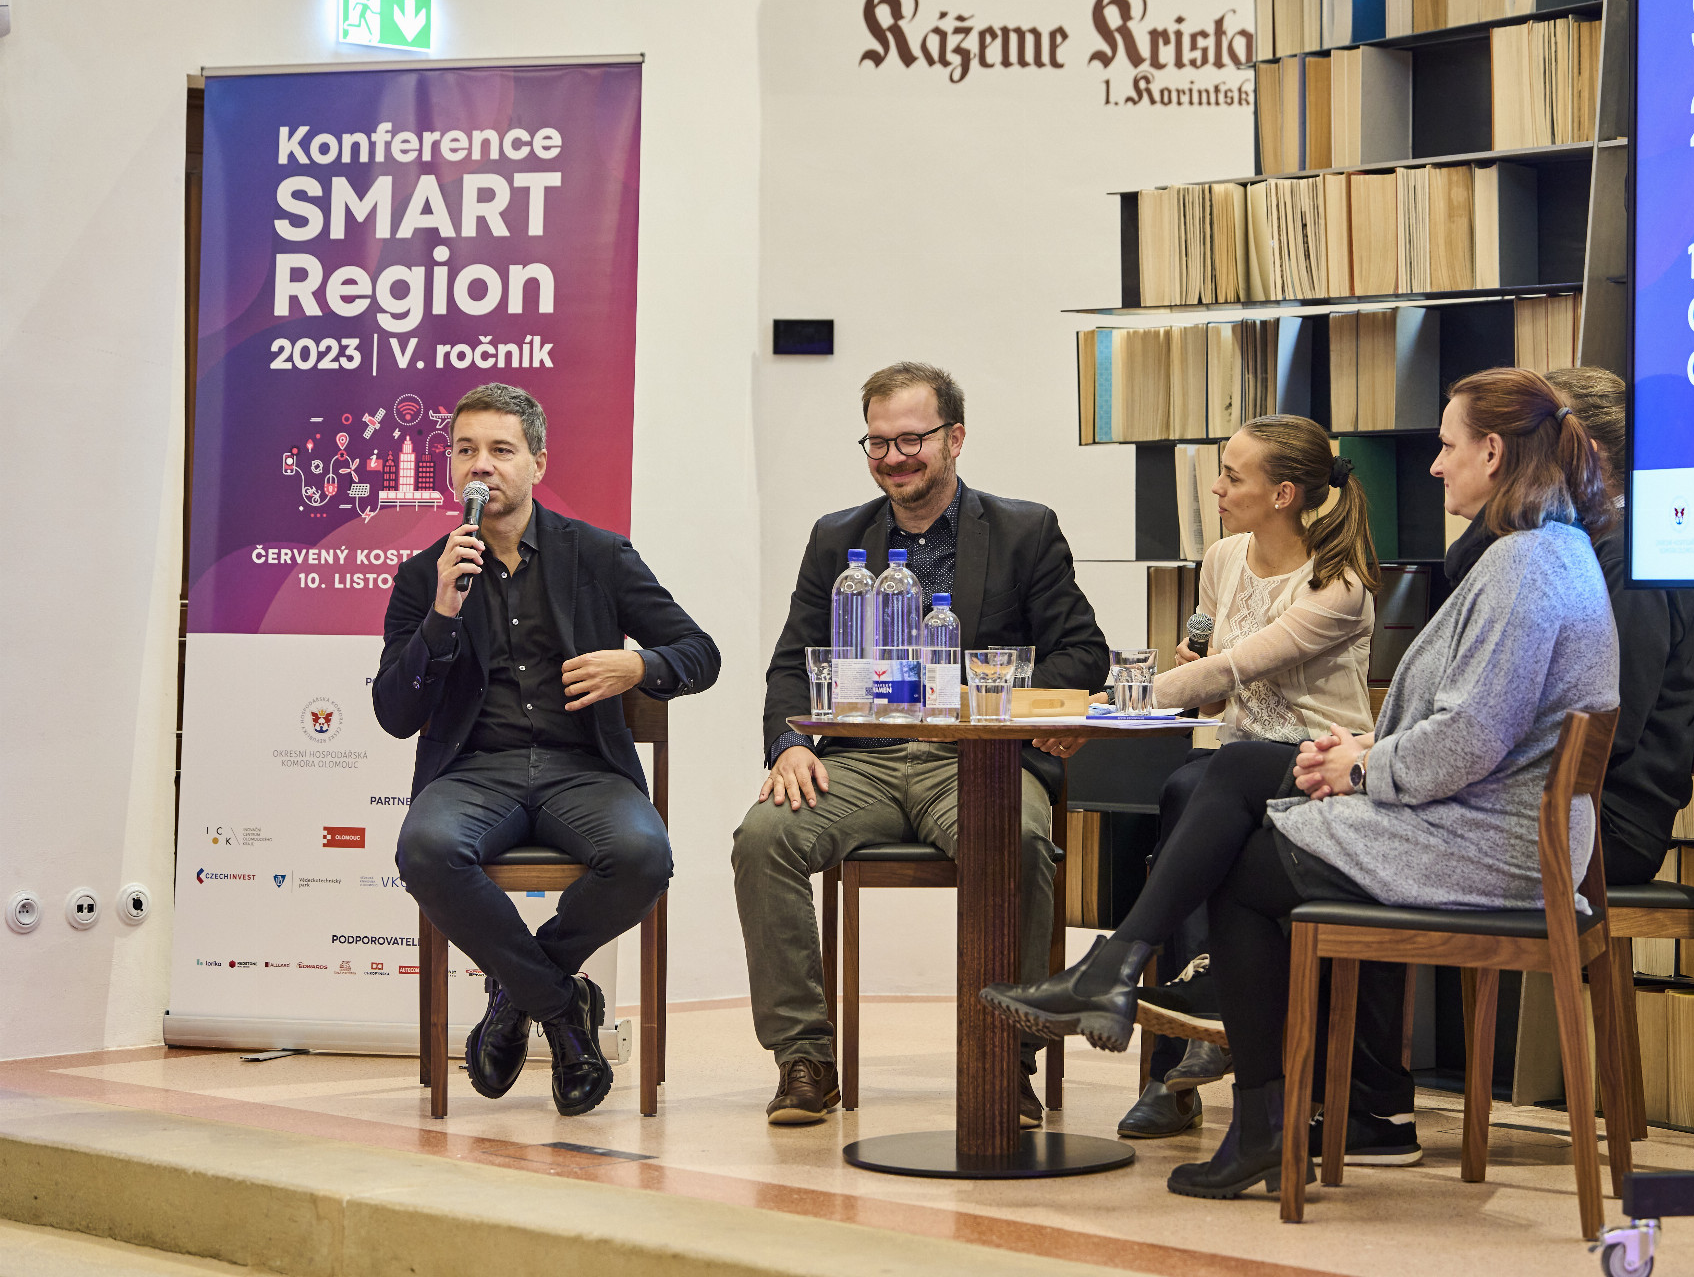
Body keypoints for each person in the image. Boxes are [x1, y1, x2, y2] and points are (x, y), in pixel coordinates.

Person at [982, 367, 1618, 1198]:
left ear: (1493, 452)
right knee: (1239, 770)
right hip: (1477, 823)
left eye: (1447, 446)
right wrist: (1363, 746)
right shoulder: (1537, 554)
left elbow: (1468, 738)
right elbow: (1472, 723)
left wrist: (1362, 764)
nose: (1432, 466)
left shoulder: (1529, 568)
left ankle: (1239, 1098)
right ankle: (1133, 985)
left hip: (1488, 848)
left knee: (1243, 866)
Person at [733, 361, 1108, 1126]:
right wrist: (787, 745)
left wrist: (996, 698)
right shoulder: (836, 537)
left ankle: (1010, 1054)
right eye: (877, 444)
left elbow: (1081, 654)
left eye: (912, 439)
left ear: (955, 438)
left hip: (977, 760)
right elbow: (790, 663)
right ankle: (804, 1058)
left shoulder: (1022, 529)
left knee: (1023, 840)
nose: (894, 458)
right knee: (762, 837)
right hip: (860, 762)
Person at [374, 383, 720, 1117]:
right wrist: (440, 615)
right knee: (427, 850)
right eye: (466, 450)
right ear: (448, 467)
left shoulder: (595, 555)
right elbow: (394, 713)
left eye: (501, 450)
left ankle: (514, 997)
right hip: (475, 772)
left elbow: (700, 652)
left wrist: (639, 668)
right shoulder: (425, 575)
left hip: (582, 769)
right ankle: (565, 1012)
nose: (482, 467)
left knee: (641, 857)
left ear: (537, 463)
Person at [1035, 415, 1379, 1139]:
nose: (1216, 487)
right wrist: (1153, 696)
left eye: (1232, 475)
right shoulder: (1222, 558)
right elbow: (1213, 687)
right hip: (1235, 761)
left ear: (1284, 493)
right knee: (1187, 788)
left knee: (1192, 791)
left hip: (1317, 772)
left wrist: (1096, 704)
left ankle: (1175, 1042)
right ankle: (1187, 1030)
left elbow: (1234, 667)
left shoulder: (1338, 586)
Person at [1545, 366, 1694, 886]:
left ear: (1588, 452)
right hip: (1571, 802)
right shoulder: (1589, 543)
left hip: (1608, 822)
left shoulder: (1623, 553)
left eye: (1539, 438)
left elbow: (1609, 723)